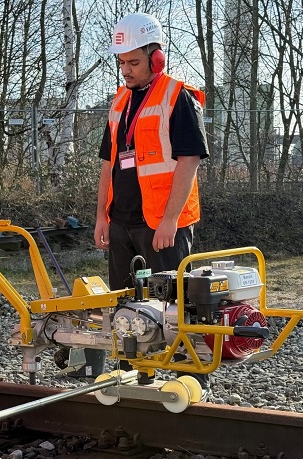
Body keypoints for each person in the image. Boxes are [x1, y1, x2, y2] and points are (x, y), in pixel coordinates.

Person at [94, 12, 209, 290]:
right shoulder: (120, 101)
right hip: (121, 224)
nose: (126, 70)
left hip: (160, 226)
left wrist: (170, 221)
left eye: (133, 62)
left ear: (156, 59)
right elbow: (108, 164)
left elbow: (190, 161)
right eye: (122, 62)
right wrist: (101, 218)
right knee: (123, 306)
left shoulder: (177, 96)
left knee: (169, 307)